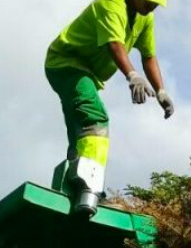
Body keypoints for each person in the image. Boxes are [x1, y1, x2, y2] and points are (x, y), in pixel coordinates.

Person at [45, 0, 175, 218]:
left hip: (87, 73)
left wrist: (161, 90)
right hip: (66, 63)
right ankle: (90, 187)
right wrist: (132, 76)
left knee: (79, 132)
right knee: (95, 119)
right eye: (149, 1)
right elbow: (114, 44)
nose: (151, 6)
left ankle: (72, 187)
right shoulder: (110, 4)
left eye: (155, 4)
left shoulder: (145, 17)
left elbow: (149, 56)